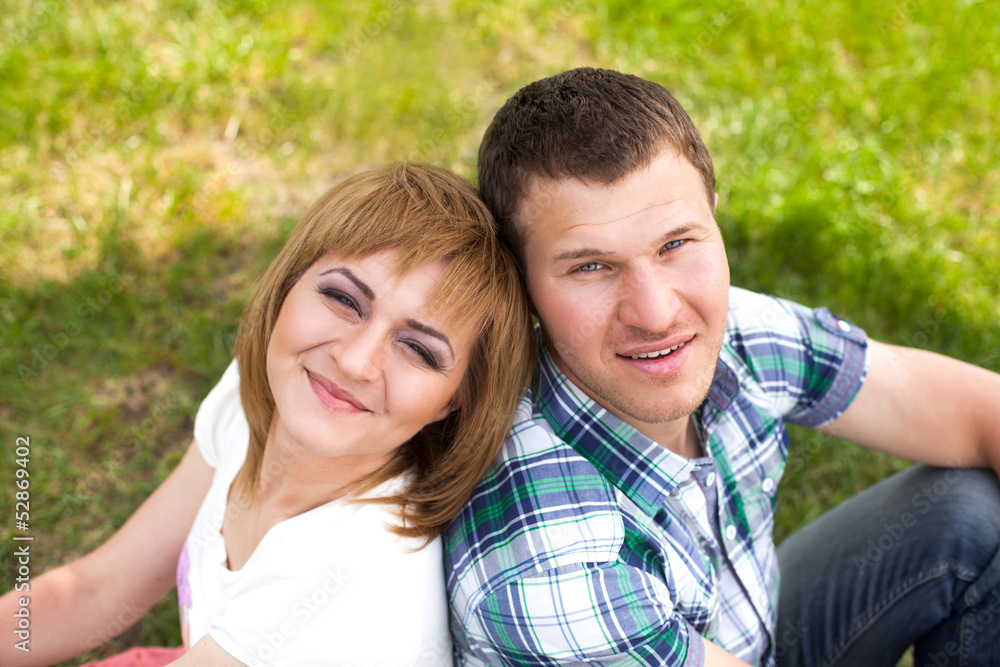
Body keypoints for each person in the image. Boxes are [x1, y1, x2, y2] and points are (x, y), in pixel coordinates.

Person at [443, 68, 1000, 666]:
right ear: (521, 284)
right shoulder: (552, 568)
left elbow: (974, 411)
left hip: (746, 643)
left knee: (970, 513)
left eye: (675, 244)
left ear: (712, 214)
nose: (656, 314)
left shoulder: (729, 330)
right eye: (591, 268)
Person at [0, 163, 534, 666]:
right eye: (344, 299)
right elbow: (97, 590)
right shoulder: (265, 390)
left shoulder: (350, 569)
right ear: (288, 285)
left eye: (419, 350)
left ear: (455, 399)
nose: (354, 361)